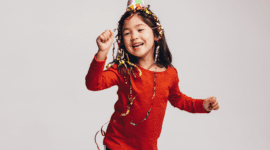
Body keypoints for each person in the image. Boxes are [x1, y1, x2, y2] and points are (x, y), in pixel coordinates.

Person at [85, 0, 219, 149]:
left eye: (140, 29)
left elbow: (178, 100)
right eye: (127, 33)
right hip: (118, 144)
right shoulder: (123, 69)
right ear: (122, 41)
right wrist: (102, 52)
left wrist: (203, 105)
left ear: (156, 34)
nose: (134, 36)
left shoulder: (170, 74)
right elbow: (93, 84)